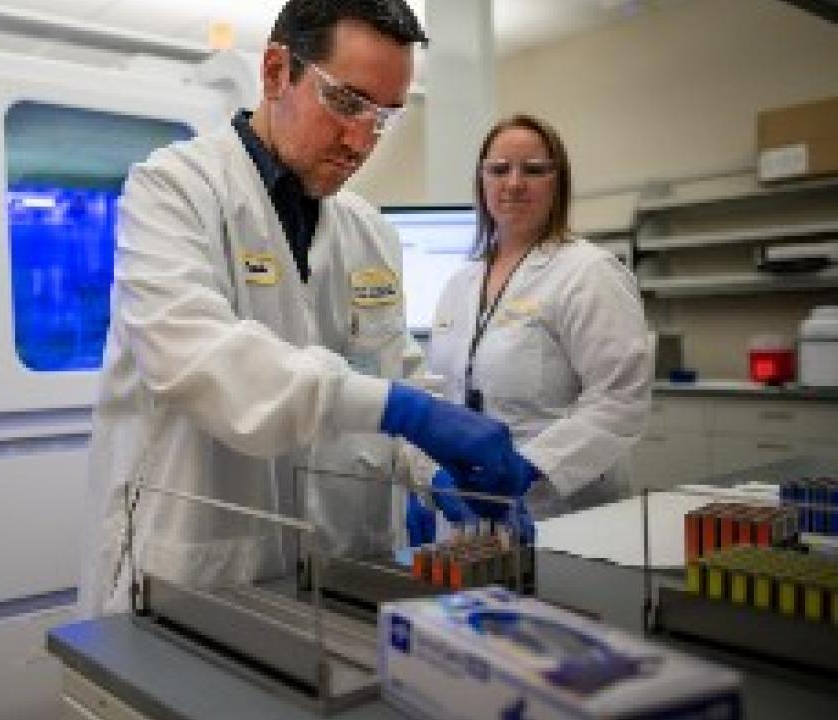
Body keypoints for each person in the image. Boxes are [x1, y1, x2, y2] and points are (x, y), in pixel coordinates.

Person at [76, 0, 536, 619]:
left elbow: (394, 372)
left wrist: (440, 467)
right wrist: (401, 409)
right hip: (200, 574)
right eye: (347, 103)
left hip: (347, 575)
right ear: (275, 73)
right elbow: (197, 359)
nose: (361, 141)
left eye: (385, 118)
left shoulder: (369, 232)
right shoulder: (174, 190)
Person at [421, 113, 653, 530]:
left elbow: (619, 398)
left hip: (560, 510)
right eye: (499, 170)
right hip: (469, 506)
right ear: (481, 181)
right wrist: (428, 475)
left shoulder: (589, 273)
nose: (513, 183)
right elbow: (443, 390)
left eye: (533, 170)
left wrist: (530, 466)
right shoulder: (460, 282)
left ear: (557, 182)